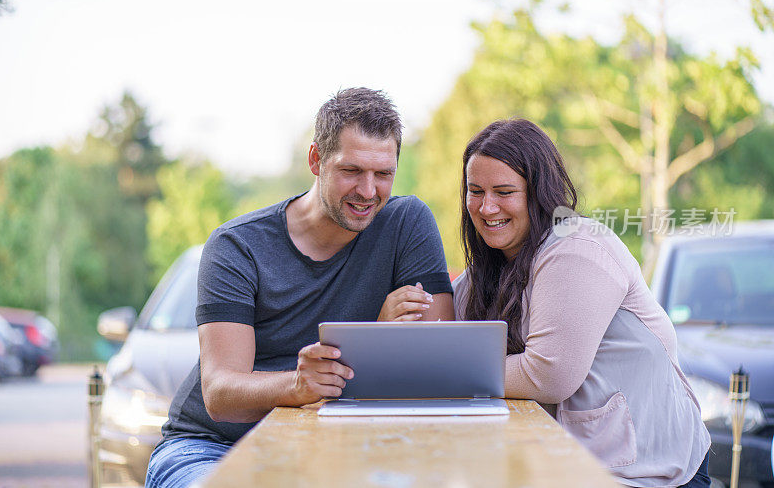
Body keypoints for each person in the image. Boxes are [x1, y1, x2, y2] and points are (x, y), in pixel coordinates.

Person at [145, 88, 454, 488]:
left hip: (342, 445)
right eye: (351, 171)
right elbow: (220, 393)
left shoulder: (406, 223)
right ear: (316, 160)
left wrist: (376, 336)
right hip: (214, 447)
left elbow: (438, 363)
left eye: (383, 174)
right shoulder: (237, 247)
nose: (367, 190)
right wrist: (298, 384)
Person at [452, 119, 711, 487]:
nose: (486, 207)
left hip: (651, 473)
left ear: (537, 192)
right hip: (572, 468)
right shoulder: (490, 269)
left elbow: (548, 375)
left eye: (504, 191)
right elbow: (444, 330)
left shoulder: (576, 248)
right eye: (475, 191)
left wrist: (446, 371)